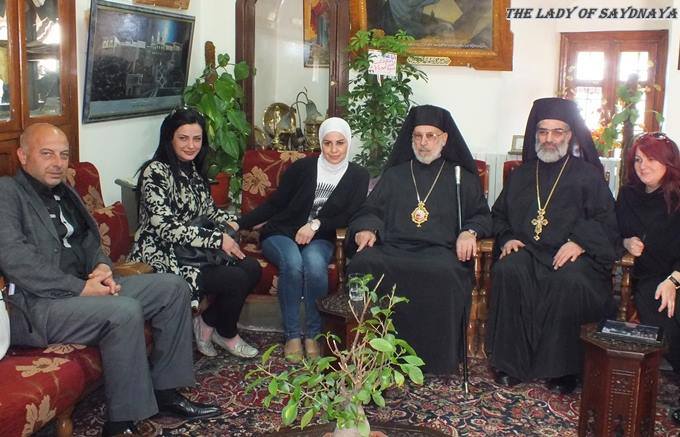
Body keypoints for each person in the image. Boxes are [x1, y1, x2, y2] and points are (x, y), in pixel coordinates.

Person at [0, 123, 220, 437]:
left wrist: (102, 268)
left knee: (172, 287)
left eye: (63, 155)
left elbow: (89, 241)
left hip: (85, 287)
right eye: (47, 154)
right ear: (23, 156)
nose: (58, 163)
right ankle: (120, 424)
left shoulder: (64, 191)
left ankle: (166, 392)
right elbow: (15, 260)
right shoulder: (7, 192)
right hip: (39, 304)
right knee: (124, 311)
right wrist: (80, 288)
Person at [486, 97, 620, 394]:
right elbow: (498, 215)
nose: (549, 138)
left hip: (571, 255)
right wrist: (507, 237)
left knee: (569, 280)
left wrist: (580, 242)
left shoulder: (588, 176)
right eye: (543, 131)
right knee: (509, 269)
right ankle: (510, 363)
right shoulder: (522, 174)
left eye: (557, 131)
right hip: (529, 252)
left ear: (570, 135)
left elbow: (608, 222)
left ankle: (564, 370)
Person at [346, 105, 491, 375]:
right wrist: (367, 228)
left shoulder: (461, 177)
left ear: (444, 139)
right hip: (394, 249)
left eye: (430, 136)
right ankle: (371, 353)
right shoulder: (395, 175)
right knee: (363, 262)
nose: (424, 143)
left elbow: (482, 215)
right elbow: (370, 210)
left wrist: (469, 231)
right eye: (418, 136)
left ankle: (436, 361)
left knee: (446, 272)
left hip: (440, 252)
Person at [129, 107, 261, 359]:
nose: (191, 146)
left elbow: (210, 212)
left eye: (197, 139)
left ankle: (208, 324)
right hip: (165, 256)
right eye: (183, 138)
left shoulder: (192, 171)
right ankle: (228, 334)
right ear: (169, 138)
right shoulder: (155, 172)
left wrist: (242, 222)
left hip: (195, 251)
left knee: (251, 268)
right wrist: (218, 239)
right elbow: (166, 228)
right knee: (234, 278)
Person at [237, 117, 369, 362]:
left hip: (321, 236)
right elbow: (275, 204)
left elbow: (349, 214)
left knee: (315, 266)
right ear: (321, 143)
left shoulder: (358, 175)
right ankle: (292, 335)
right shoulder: (302, 167)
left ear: (348, 143)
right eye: (327, 143)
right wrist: (240, 223)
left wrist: (315, 225)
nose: (334, 149)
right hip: (281, 232)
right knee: (292, 263)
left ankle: (313, 335)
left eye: (340, 143)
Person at [614, 132, 680, 421]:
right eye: (639, 160)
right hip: (650, 278)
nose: (643, 166)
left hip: (676, 274)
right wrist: (626, 242)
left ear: (669, 162)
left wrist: (674, 280)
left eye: (652, 159)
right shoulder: (628, 195)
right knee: (660, 309)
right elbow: (612, 230)